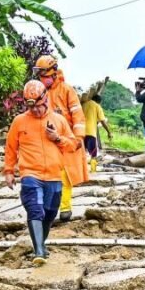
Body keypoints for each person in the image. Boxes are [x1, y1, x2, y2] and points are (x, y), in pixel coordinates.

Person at [2, 80, 78, 266]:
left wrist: (57, 138)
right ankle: (39, 252)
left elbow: (73, 145)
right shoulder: (19, 122)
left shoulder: (59, 120)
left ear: (46, 100)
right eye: (31, 107)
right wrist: (9, 171)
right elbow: (11, 148)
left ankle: (41, 244)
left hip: (54, 175)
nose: (35, 110)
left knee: (50, 212)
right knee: (35, 209)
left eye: (38, 106)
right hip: (30, 174)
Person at [34, 55, 87, 223]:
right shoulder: (40, 92)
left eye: (45, 76)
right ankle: (48, 207)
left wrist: (78, 138)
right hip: (46, 140)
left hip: (65, 139)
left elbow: (78, 115)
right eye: (40, 76)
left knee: (65, 174)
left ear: (54, 73)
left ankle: (65, 208)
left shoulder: (67, 90)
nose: (43, 79)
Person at [81, 93, 112, 173]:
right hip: (91, 132)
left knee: (81, 153)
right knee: (93, 154)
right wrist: (109, 132)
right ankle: (93, 171)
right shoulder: (97, 106)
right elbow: (103, 121)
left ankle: (81, 171)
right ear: (99, 101)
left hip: (81, 132)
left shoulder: (83, 105)